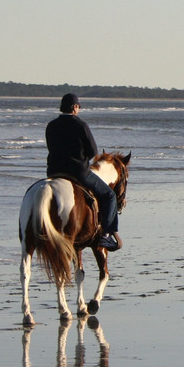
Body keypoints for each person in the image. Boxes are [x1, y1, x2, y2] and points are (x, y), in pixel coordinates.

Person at [45, 93, 121, 250]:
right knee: (110, 195)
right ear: (74, 107)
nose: (78, 109)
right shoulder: (81, 125)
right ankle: (107, 235)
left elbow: (51, 148)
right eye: (78, 106)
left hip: (54, 172)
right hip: (78, 173)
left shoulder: (51, 125)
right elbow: (93, 151)